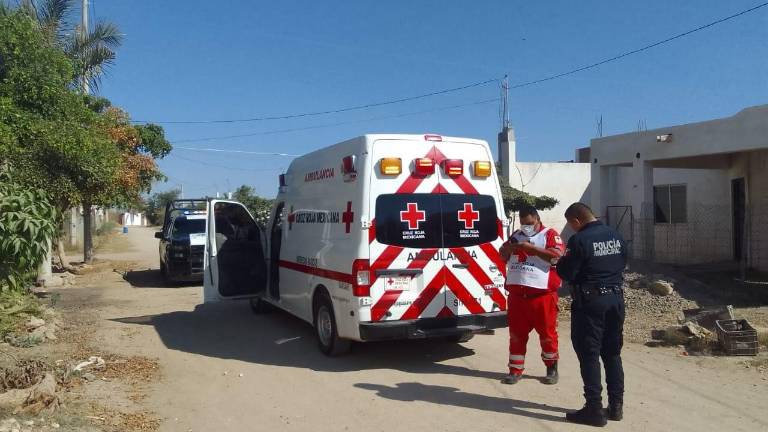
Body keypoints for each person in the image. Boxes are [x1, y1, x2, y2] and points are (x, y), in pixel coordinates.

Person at [556, 202, 627, 427]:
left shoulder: (579, 240)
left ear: (577, 220)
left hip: (591, 302)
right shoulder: (615, 235)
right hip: (616, 299)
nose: (572, 228)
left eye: (571, 224)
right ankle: (616, 407)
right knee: (612, 353)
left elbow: (568, 272)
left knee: (589, 354)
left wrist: (559, 262)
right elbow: (623, 261)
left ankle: (594, 409)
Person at [498, 206, 564, 385]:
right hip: (518, 297)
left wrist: (531, 249)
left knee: (547, 335)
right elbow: (502, 255)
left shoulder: (549, 234)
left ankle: (551, 368)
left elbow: (556, 257)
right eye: (523, 223)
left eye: (530, 223)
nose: (526, 226)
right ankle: (515, 370)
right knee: (516, 335)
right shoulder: (516, 236)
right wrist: (509, 249)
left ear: (537, 219)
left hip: (542, 296)